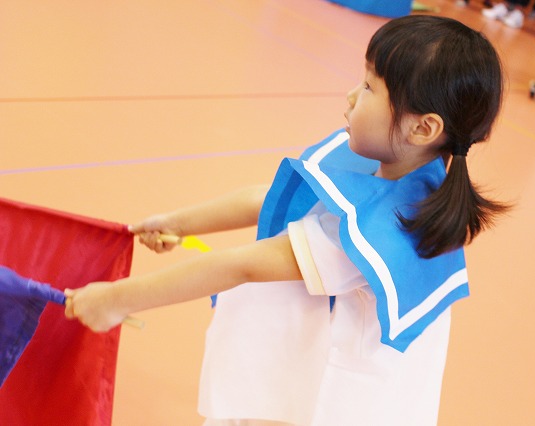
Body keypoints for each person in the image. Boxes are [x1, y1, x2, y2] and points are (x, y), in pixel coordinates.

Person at [65, 15, 509, 426]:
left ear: (423, 128)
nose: (351, 95)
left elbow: (240, 265)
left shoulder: (383, 229)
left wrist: (114, 300)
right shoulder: (408, 171)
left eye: (370, 87)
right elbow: (266, 198)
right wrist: (178, 223)